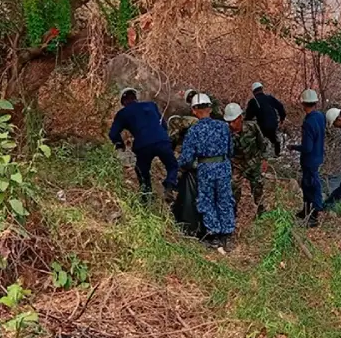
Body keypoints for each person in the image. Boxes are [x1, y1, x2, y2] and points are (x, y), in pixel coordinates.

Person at [178, 94, 235, 248]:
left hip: (205, 170)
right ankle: (228, 236)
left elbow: (186, 158)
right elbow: (231, 150)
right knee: (225, 199)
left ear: (194, 110)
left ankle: (214, 236)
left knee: (207, 201)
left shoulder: (194, 130)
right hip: (223, 167)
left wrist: (179, 165)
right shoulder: (224, 126)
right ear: (210, 108)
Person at [108, 87, 178, 203]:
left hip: (143, 145)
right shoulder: (151, 105)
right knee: (173, 166)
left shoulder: (123, 113)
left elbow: (113, 133)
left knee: (142, 171)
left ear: (123, 102)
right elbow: (164, 126)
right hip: (162, 140)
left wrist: (120, 145)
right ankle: (169, 185)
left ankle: (146, 198)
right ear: (136, 97)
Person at [288, 89, 325, 227]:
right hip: (318, 157)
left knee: (311, 187)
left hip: (309, 161)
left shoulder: (308, 122)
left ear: (303, 103)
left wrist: (294, 147)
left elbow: (307, 147)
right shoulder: (320, 116)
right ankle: (306, 211)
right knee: (307, 185)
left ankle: (313, 218)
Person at [223, 103, 266, 217]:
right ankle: (232, 212)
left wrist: (264, 159)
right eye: (229, 122)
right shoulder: (227, 133)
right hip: (237, 165)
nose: (231, 124)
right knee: (233, 187)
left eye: (234, 121)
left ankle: (261, 211)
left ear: (240, 118)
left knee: (258, 187)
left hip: (253, 162)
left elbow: (263, 143)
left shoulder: (252, 127)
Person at [246, 82, 286, 156]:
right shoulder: (269, 98)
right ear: (262, 89)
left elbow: (248, 117)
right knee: (273, 136)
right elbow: (280, 106)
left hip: (262, 125)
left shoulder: (253, 102)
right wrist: (282, 118)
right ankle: (277, 153)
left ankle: (262, 154)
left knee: (260, 138)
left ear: (253, 92)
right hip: (274, 122)